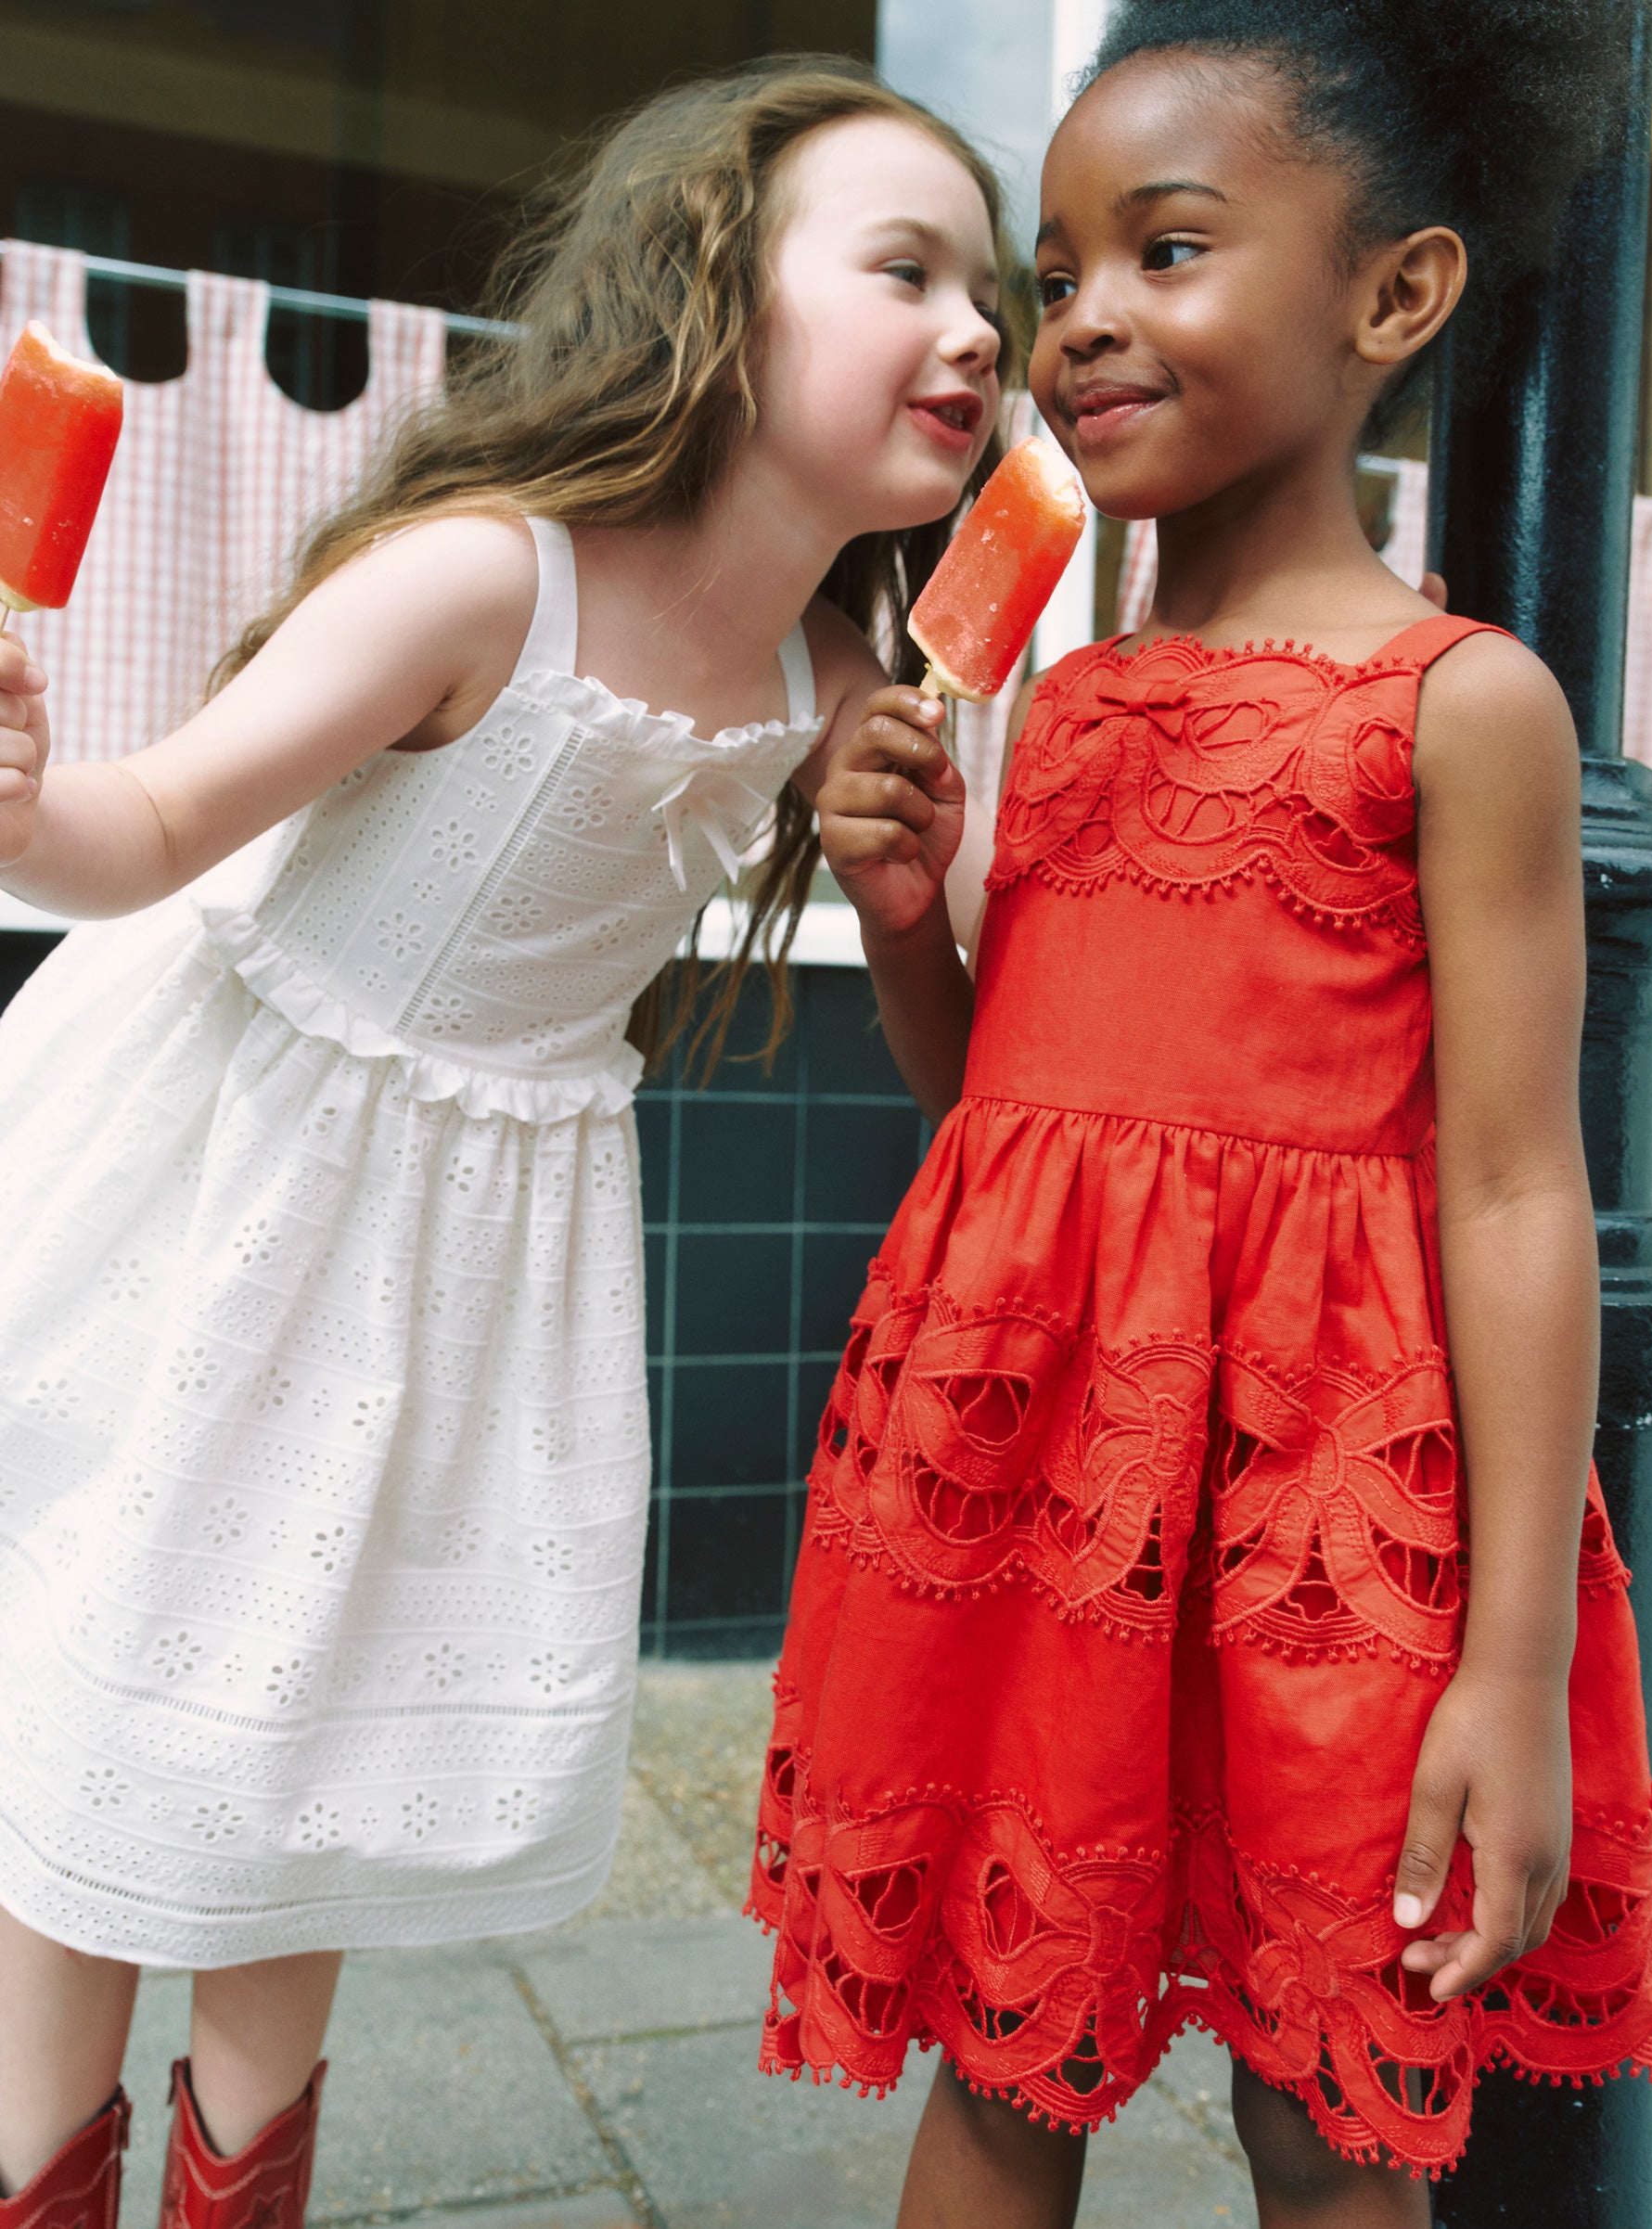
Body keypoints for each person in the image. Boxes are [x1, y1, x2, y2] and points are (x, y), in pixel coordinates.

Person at [0, 57, 1012, 2229]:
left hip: (465, 1253)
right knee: (112, 1714)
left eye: (988, 292)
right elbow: (147, 828)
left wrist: (903, 887)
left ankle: (239, 2189)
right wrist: (16, 797)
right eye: (908, 270)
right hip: (229, 1171)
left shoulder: (843, 678)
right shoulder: (480, 579)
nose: (980, 330)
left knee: (307, 1737)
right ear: (719, 297)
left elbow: (957, 1059)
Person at [749, 6, 1652, 2225]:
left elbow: (1516, 1183)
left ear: (1395, 294)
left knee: (1323, 2098)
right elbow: (1000, 1112)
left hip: (1318, 1511)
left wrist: (1515, 1660)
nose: (1077, 322)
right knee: (1002, 2054)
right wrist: (902, 914)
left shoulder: (1460, 705)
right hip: (1044, 1483)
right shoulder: (1065, 701)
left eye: (1163, 251)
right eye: (1057, 272)